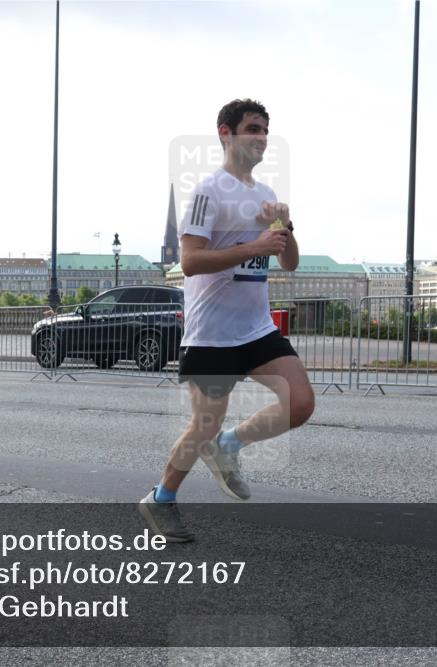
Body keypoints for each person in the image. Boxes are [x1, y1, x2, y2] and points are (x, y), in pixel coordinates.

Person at [138, 99, 315, 542]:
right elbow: (192, 261)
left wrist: (286, 228)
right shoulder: (208, 192)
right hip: (212, 334)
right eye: (253, 128)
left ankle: (230, 446)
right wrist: (256, 246)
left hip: (256, 327)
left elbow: (289, 262)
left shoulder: (265, 195)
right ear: (226, 133)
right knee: (203, 425)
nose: (261, 137)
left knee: (300, 403)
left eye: (266, 131)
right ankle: (160, 499)